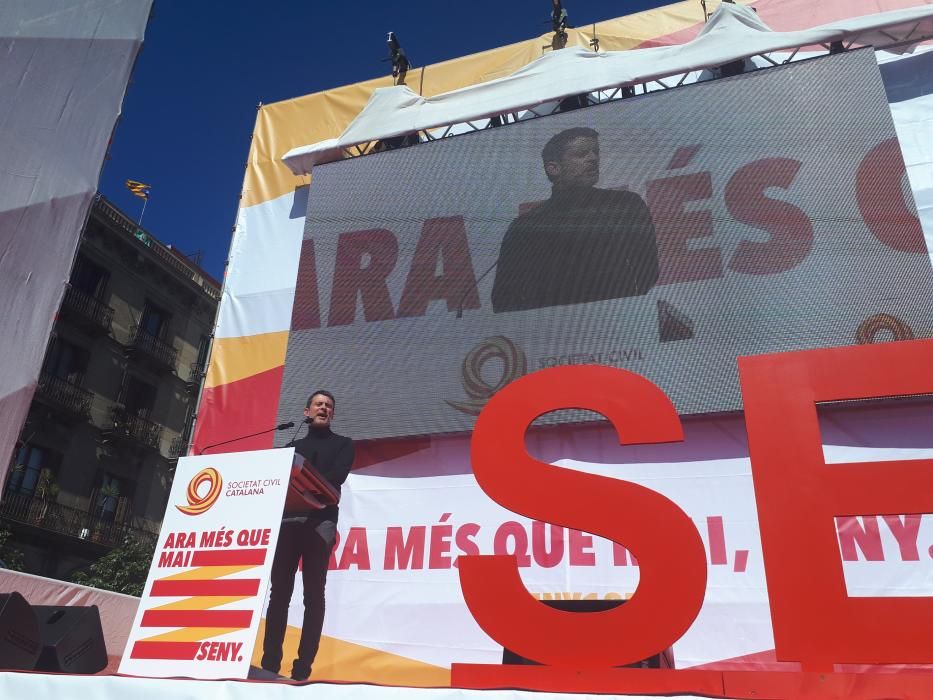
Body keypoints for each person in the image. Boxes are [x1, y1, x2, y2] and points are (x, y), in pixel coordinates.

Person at [490, 127, 659, 313]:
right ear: (554, 168)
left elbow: (647, 270)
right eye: (581, 154)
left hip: (620, 320)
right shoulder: (526, 226)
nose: (593, 158)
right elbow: (505, 297)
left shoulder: (625, 205)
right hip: (555, 332)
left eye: (596, 152)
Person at [260, 390, 354, 681]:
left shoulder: (344, 444)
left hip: (320, 522)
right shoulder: (291, 447)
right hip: (289, 520)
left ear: (333, 414)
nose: (323, 408)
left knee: (314, 594)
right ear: (307, 411)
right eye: (318, 404)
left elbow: (335, 478)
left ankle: (302, 669)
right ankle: (269, 664)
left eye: (328, 406)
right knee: (279, 594)